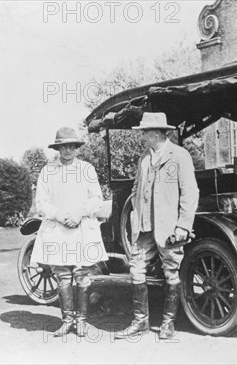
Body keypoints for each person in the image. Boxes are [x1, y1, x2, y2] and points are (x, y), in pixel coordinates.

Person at [115, 112, 199, 340]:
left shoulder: (179, 155)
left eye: (144, 132)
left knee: (171, 270)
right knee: (136, 268)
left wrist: (183, 225)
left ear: (156, 133)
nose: (142, 136)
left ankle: (168, 324)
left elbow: (190, 192)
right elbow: (136, 187)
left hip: (169, 227)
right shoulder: (144, 157)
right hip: (143, 227)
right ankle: (140, 321)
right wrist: (136, 209)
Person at [30, 126, 108, 338]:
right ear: (58, 148)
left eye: (71, 146)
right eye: (63, 146)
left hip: (81, 227)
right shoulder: (48, 171)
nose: (67, 151)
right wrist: (59, 215)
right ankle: (67, 320)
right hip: (58, 229)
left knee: (82, 275)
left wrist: (79, 213)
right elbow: (41, 202)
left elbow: (96, 198)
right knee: (63, 275)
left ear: (76, 147)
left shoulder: (87, 169)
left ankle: (82, 320)